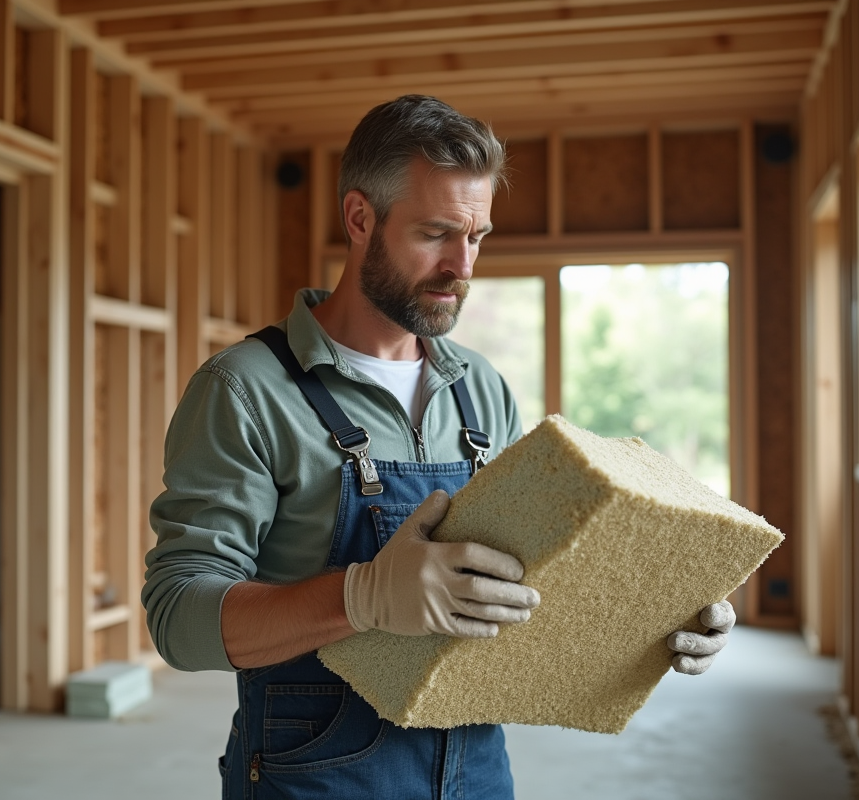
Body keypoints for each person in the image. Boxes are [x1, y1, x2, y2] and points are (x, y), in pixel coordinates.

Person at [143, 95, 735, 800]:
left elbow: (531, 579)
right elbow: (177, 617)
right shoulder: (246, 390)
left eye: (478, 235)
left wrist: (656, 606)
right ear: (360, 218)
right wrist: (359, 597)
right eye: (436, 234)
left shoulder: (480, 388)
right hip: (315, 774)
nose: (464, 265)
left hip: (477, 767)